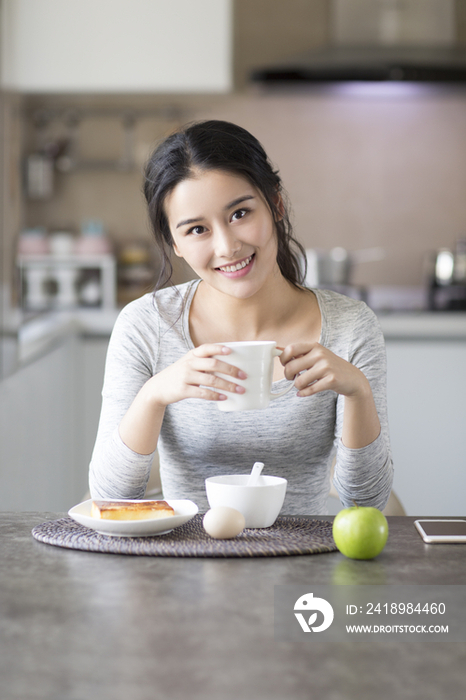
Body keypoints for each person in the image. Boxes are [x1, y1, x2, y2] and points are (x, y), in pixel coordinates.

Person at [89, 119, 393, 515]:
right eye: (197, 229)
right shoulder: (145, 326)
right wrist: (154, 395)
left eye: (239, 214)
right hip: (184, 567)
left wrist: (358, 392)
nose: (227, 246)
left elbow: (365, 501)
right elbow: (110, 496)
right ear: (175, 244)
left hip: (305, 566)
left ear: (276, 204)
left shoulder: (351, 328)